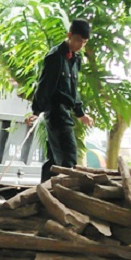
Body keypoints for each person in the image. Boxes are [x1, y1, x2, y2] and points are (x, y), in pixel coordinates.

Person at [27, 19, 94, 182]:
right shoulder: (55, 56)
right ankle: (63, 198)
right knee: (68, 158)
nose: (80, 45)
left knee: (54, 160)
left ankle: (43, 194)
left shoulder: (75, 59)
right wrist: (36, 111)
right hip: (56, 113)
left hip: (66, 112)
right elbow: (45, 85)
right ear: (69, 35)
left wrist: (80, 114)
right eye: (78, 40)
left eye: (84, 42)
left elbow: (73, 89)